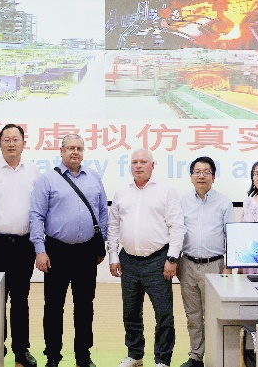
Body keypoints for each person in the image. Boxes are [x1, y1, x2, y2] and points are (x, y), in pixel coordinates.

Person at [30, 134, 108, 367]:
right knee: (54, 307)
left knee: (85, 306)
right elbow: (36, 216)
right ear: (61, 151)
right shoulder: (48, 179)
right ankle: (53, 355)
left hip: (86, 252)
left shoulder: (93, 177)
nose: (75, 152)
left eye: (79, 148)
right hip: (56, 251)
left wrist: (100, 242)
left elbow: (102, 212)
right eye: (71, 148)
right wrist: (40, 250)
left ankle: (83, 355)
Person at [108, 149, 185, 367]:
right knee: (131, 312)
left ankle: (162, 359)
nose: (138, 166)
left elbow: (177, 226)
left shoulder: (166, 191)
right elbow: (113, 226)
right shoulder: (122, 192)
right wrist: (113, 255)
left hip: (158, 261)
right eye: (135, 162)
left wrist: (172, 258)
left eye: (143, 162)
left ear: (152, 166)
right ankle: (135, 355)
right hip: (128, 261)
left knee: (163, 314)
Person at [0, 123, 40, 367]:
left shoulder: (33, 171)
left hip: (24, 244)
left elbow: (39, 210)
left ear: (24, 143)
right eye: (6, 139)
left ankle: (21, 350)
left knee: (21, 299)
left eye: (15, 139)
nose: (11, 144)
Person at [177, 156, 234, 367]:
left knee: (212, 314)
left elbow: (231, 236)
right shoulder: (182, 201)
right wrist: (175, 260)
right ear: (191, 176)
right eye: (197, 172)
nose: (201, 176)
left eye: (206, 172)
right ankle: (196, 356)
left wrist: (229, 266)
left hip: (215, 265)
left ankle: (214, 356)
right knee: (193, 315)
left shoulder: (224, 202)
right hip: (188, 264)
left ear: (213, 177)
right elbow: (176, 232)